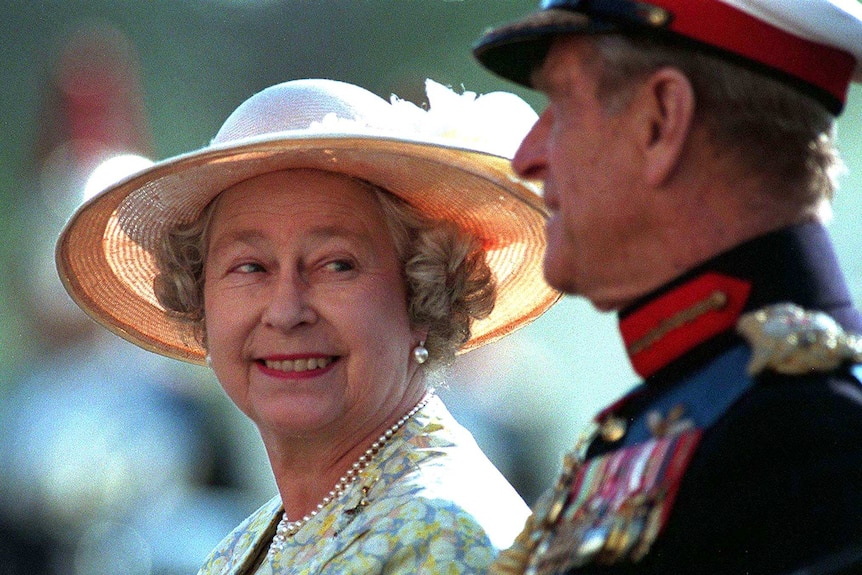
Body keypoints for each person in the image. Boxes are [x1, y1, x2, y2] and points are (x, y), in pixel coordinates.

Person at [55, 77, 560, 574]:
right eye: (250, 267)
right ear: (200, 303)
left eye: (335, 264)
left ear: (423, 295)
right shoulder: (249, 545)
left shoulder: (439, 536)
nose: (285, 310)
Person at [471, 1, 862, 574]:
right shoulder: (733, 413)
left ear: (660, 120)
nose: (527, 158)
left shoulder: (808, 433)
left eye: (561, 104)